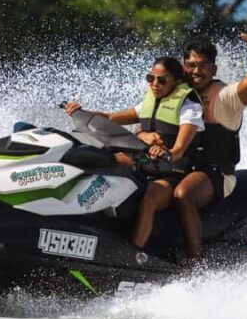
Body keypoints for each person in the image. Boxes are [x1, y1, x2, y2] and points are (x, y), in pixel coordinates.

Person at [64, 56, 204, 249]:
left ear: (177, 81)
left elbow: (178, 151)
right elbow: (110, 117)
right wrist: (81, 112)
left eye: (162, 80)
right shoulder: (149, 102)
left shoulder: (189, 108)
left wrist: (165, 151)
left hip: (172, 174)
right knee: (104, 161)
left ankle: (136, 253)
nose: (155, 84)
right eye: (151, 78)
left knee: (150, 198)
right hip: (144, 164)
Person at [171, 29, 247, 261]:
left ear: (213, 69)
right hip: (180, 169)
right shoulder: (172, 92)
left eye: (202, 65)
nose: (196, 71)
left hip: (216, 174)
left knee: (183, 195)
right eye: (191, 65)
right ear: (183, 66)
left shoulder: (224, 97)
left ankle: (194, 263)